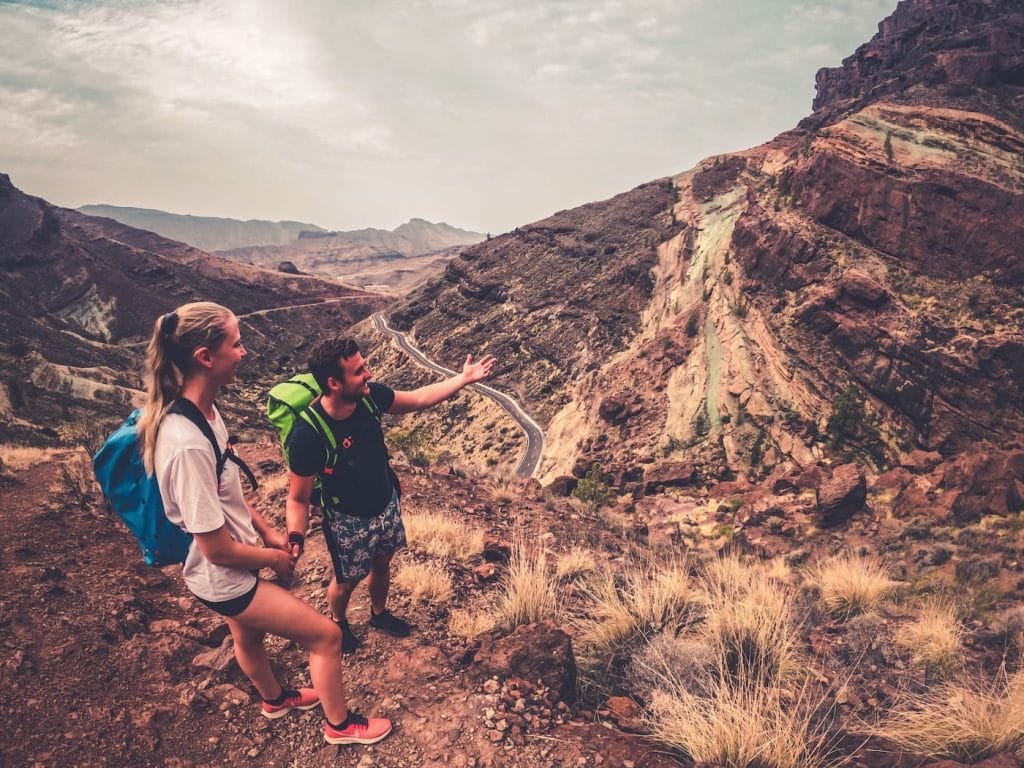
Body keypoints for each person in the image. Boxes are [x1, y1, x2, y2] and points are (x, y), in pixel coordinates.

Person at [140, 302, 391, 746]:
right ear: (206, 357)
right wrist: (274, 557)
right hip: (224, 577)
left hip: (225, 570)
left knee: (249, 639)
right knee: (326, 636)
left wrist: (268, 529)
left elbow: (224, 496)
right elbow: (216, 549)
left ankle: (275, 699)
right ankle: (340, 726)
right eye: (236, 344)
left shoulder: (206, 415)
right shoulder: (185, 445)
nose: (245, 352)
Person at [285, 336, 495, 653]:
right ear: (334, 383)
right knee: (346, 581)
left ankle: (379, 615)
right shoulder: (307, 434)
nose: (367, 374)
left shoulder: (370, 397)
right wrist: (296, 535)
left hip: (386, 504)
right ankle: (339, 622)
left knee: (382, 565)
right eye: (358, 371)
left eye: (364, 366)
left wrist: (463, 379)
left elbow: (419, 398)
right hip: (347, 521)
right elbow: (298, 497)